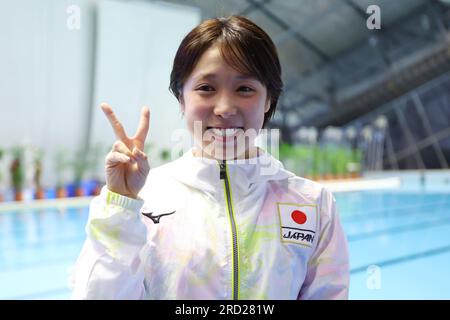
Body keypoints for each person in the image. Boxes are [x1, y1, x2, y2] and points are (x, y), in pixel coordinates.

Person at [70, 15, 349, 300]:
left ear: (268, 100)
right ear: (182, 98)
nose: (225, 108)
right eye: (206, 88)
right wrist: (121, 204)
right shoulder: (143, 199)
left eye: (245, 89)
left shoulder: (313, 204)